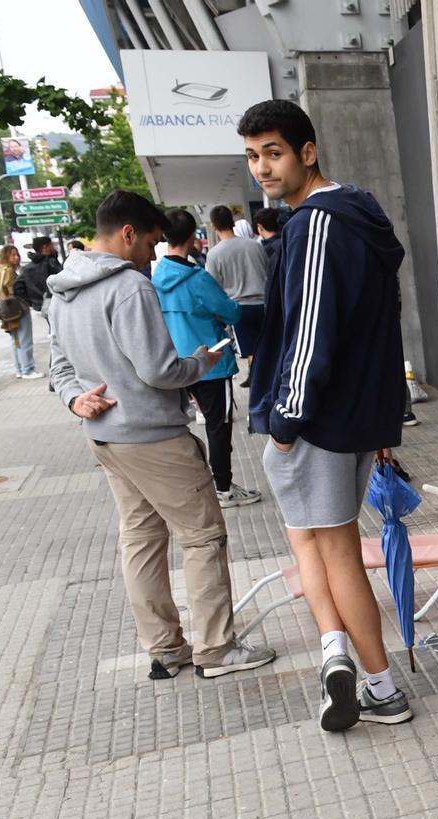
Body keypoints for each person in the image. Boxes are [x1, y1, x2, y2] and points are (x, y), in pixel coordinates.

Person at [47, 190, 276, 682]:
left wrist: (74, 399)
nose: (152, 254)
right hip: (153, 435)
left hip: (106, 435)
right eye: (150, 242)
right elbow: (159, 369)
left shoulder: (61, 290)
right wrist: (202, 361)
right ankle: (216, 648)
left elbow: (59, 368)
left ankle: (166, 648)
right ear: (128, 233)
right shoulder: (129, 287)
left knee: (142, 540)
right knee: (202, 536)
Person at [240, 97, 414, 731]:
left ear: (307, 152)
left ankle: (380, 686)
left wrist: (285, 421)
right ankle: (334, 653)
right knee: (311, 538)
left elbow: (310, 332)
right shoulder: (358, 215)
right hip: (354, 412)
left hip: (316, 418)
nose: (262, 167)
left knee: (333, 548)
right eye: (254, 155)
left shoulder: (317, 223)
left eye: (274, 153)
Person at [152, 207, 260, 507]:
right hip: (210, 362)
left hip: (174, 364)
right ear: (192, 236)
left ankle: (196, 486)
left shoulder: (155, 277)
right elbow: (231, 312)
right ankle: (223, 488)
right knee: (218, 427)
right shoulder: (196, 277)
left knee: (183, 427)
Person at [203, 204, 268, 371]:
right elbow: (268, 273)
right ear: (232, 222)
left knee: (252, 355)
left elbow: (213, 288)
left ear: (213, 226)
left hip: (239, 310)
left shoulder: (214, 254)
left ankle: (258, 388)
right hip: (264, 306)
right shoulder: (255, 245)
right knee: (269, 351)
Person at [16, 236, 64, 382]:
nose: (53, 248)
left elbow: (18, 287)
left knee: (56, 337)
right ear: (45, 247)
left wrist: (33, 302)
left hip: (43, 307)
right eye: (51, 245)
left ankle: (57, 372)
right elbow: (64, 279)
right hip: (58, 303)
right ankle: (59, 373)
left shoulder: (28, 267)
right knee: (62, 339)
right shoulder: (51, 262)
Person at [0, 246, 38, 379]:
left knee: (16, 339)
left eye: (17, 255)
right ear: (6, 257)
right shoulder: (8, 271)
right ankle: (27, 369)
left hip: (7, 308)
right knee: (24, 338)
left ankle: (20, 368)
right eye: (12, 255)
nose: (16, 257)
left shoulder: (1, 270)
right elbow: (8, 288)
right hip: (16, 307)